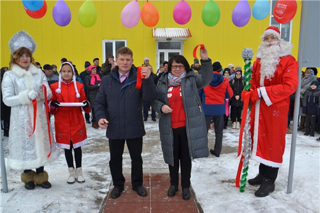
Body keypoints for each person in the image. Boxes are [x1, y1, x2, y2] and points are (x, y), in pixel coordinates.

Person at [95, 47, 158, 199]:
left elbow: (150, 96)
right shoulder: (106, 80)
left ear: (132, 61)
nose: (125, 62)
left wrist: (148, 78)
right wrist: (100, 117)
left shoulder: (139, 77)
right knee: (115, 159)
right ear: (116, 61)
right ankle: (118, 185)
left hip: (134, 126)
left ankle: (137, 184)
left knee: (136, 158)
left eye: (128, 60)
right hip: (114, 126)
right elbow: (99, 103)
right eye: (121, 59)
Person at [151, 47, 212, 200]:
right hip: (169, 128)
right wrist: (160, 107)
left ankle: (185, 186)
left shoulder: (191, 79)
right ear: (169, 67)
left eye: (180, 66)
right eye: (174, 66)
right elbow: (154, 100)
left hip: (187, 128)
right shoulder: (162, 81)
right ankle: (173, 185)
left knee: (185, 159)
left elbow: (206, 79)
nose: (177, 69)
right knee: (172, 158)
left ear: (185, 67)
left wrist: (205, 61)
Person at [244, 26, 298, 197]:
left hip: (276, 108)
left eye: (272, 38)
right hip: (260, 108)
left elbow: (289, 86)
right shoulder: (258, 61)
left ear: (279, 41)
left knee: (273, 141)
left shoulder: (289, 61)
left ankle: (270, 180)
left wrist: (260, 92)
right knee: (261, 140)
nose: (268, 42)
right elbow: (252, 80)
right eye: (266, 38)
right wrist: (249, 91)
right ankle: (262, 173)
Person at [2, 31, 59, 190]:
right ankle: (28, 176)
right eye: (21, 56)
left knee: (39, 144)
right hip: (20, 119)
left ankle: (41, 175)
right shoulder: (10, 75)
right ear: (15, 57)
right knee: (26, 146)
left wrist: (40, 94)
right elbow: (7, 99)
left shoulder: (38, 72)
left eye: (27, 55)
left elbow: (47, 92)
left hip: (39, 116)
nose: (25, 58)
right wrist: (26, 96)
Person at [49, 62, 90, 184]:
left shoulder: (79, 86)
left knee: (77, 147)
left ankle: (79, 171)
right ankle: (71, 172)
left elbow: (84, 102)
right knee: (67, 148)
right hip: (62, 121)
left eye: (69, 71)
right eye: (64, 71)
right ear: (60, 73)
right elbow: (51, 106)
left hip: (76, 119)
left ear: (73, 73)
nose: (66, 74)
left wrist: (86, 105)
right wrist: (53, 104)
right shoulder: (54, 87)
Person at [198, 61, 233, 157]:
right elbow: (230, 95)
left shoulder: (205, 80)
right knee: (219, 131)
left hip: (207, 108)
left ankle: (203, 151)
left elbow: (199, 94)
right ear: (220, 70)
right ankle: (217, 151)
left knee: (204, 132)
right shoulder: (225, 81)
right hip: (219, 109)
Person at [1, 67, 11, 137]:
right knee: (5, 118)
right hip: (3, 103)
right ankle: (5, 130)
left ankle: (7, 130)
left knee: (8, 118)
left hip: (8, 103)